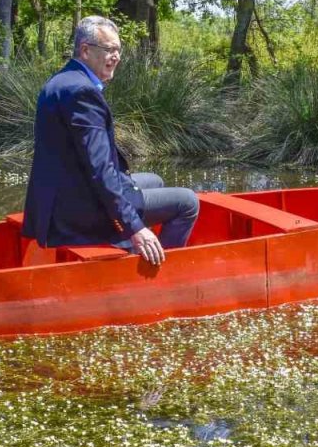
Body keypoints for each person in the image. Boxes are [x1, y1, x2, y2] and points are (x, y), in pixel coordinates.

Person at [22, 16, 199, 266]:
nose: (116, 56)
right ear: (85, 50)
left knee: (155, 180)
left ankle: (130, 248)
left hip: (63, 197)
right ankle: (158, 272)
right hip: (76, 211)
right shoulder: (82, 92)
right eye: (109, 49)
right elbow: (100, 170)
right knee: (187, 201)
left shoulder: (62, 81)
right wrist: (134, 227)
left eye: (118, 50)